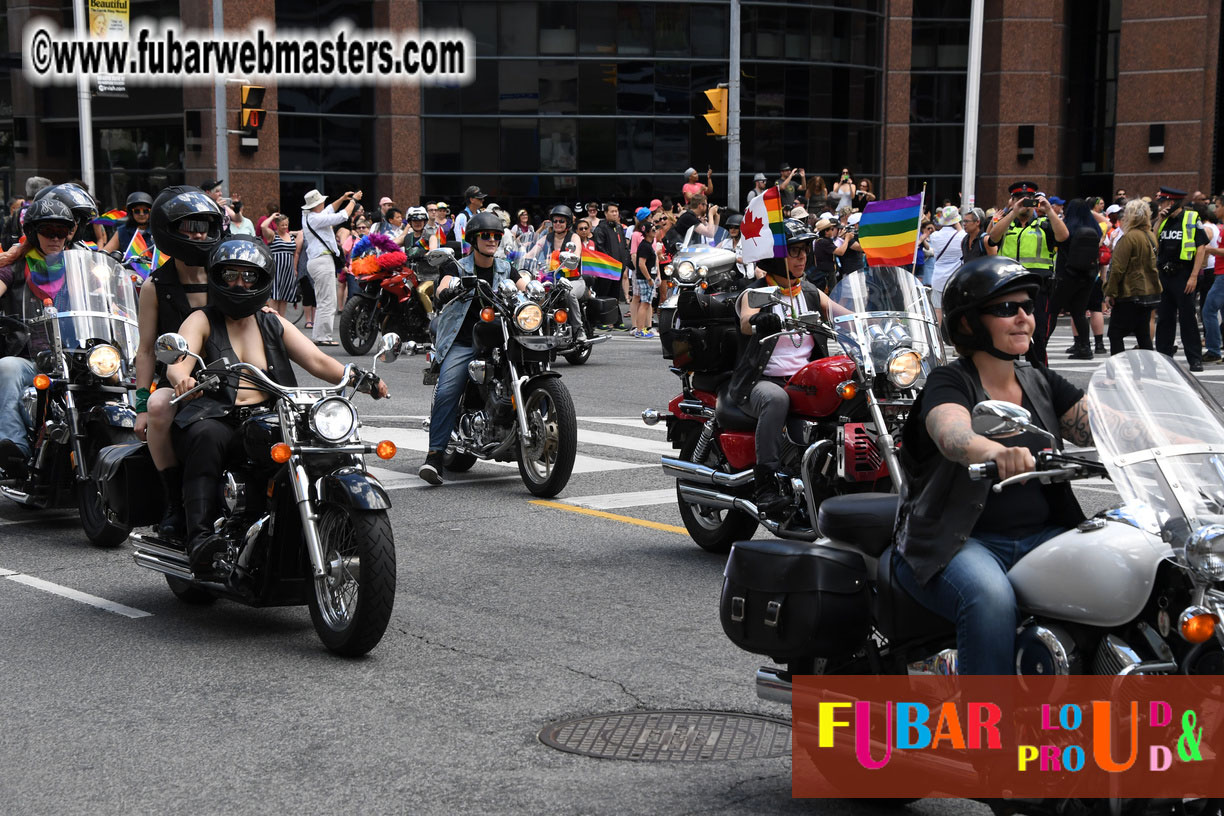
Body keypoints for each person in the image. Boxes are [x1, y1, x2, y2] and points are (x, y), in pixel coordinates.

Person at [893, 256, 1092, 675]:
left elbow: (1102, 426)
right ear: (969, 323)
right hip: (957, 542)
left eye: (1027, 306)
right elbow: (952, 434)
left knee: (1125, 567)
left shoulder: (1038, 379)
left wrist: (1176, 438)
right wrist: (993, 451)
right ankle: (988, 730)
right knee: (988, 598)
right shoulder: (950, 381)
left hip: (1044, 534)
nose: (1023, 317)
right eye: (1006, 308)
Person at [167, 236, 387, 571]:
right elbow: (179, 361)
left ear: (262, 280)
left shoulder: (272, 322)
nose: (240, 284)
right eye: (230, 276)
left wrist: (359, 378)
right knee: (206, 438)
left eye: (249, 276)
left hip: (271, 417)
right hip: (217, 416)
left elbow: (316, 360)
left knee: (327, 444)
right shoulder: (201, 319)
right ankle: (199, 537)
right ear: (217, 277)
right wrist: (182, 377)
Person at [729, 218, 842, 516]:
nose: (803, 257)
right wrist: (758, 321)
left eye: (805, 250)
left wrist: (882, 319)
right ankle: (764, 485)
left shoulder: (808, 292)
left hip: (804, 380)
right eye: (794, 251)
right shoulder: (755, 293)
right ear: (775, 258)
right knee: (777, 400)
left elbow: (845, 316)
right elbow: (745, 320)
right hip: (760, 381)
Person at [131, 185, 225, 536]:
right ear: (169, 231)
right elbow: (145, 350)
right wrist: (139, 404)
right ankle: (174, 500)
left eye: (203, 225)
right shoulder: (156, 286)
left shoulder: (225, 276)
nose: (198, 233)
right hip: (179, 382)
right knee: (157, 408)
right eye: (189, 226)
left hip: (231, 376)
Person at [418, 213, 524, 485]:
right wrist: (449, 289)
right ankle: (435, 456)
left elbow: (523, 285)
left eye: (496, 235)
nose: (491, 240)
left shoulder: (505, 268)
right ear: (473, 239)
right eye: (485, 235)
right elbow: (442, 287)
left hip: (500, 339)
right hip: (464, 341)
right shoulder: (458, 267)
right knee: (447, 390)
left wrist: (541, 292)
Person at [0, 198, 80, 477]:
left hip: (77, 357)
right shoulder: (15, 267)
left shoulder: (79, 267)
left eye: (63, 231)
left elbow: (106, 296)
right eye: (49, 232)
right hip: (31, 358)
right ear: (34, 233)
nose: (57, 238)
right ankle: (14, 448)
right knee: (7, 367)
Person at [986, 180, 1069, 366]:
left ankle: (1040, 380)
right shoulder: (1007, 224)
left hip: (1038, 289)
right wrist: (1012, 212)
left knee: (1038, 338)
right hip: (1009, 288)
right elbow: (993, 238)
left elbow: (1063, 236)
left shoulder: (1045, 224)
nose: (1024, 203)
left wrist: (1049, 210)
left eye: (1029, 199)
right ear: (1012, 200)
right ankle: (1010, 380)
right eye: (1019, 199)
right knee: (1007, 337)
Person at [1152, 186, 1209, 371]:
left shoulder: (1191, 218)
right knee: (1164, 318)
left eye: (1163, 201)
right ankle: (1163, 356)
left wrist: (1193, 276)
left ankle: (1194, 359)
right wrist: (1159, 221)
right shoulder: (1163, 220)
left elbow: (1201, 248)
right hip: (1165, 275)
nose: (1161, 205)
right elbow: (1153, 242)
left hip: (1183, 274)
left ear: (1172, 201)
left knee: (1187, 318)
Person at [301, 187, 361, 347]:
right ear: (317, 204)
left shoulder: (309, 216)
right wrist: (353, 201)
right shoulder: (315, 219)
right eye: (321, 201)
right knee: (328, 301)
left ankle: (320, 335)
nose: (324, 204)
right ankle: (323, 336)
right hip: (322, 261)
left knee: (323, 300)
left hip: (318, 261)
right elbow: (342, 215)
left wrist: (342, 198)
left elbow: (329, 209)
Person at [1046, 198, 1104, 360]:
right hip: (1087, 276)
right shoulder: (1094, 229)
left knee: (1053, 310)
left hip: (1066, 275)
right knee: (1079, 312)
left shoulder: (1067, 228)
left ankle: (1042, 343)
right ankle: (1085, 347)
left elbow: (1059, 240)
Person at [928, 206, 964, 320]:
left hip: (938, 277)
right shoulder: (961, 236)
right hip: (955, 278)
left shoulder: (935, 236)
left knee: (937, 309)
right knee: (954, 309)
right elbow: (964, 234)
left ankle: (937, 336)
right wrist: (957, 223)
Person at [262, 212, 299, 315]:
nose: (284, 227)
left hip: (288, 271)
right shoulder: (273, 235)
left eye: (286, 224)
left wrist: (295, 268)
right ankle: (273, 319)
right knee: (275, 296)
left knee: (284, 298)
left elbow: (295, 253)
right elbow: (263, 226)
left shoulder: (291, 236)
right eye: (282, 225)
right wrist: (272, 217)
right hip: (276, 270)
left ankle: (282, 321)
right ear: (277, 225)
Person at [630, 219, 660, 339]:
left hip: (647, 277)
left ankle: (641, 328)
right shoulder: (645, 246)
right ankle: (640, 329)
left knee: (646, 303)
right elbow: (641, 264)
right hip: (645, 278)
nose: (655, 231)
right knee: (645, 303)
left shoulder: (647, 245)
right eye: (653, 230)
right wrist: (648, 278)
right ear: (647, 232)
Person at [809, 217, 839, 292]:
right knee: (831, 293)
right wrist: (847, 239)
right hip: (827, 274)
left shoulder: (820, 240)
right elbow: (840, 252)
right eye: (831, 229)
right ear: (826, 231)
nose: (833, 231)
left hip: (824, 272)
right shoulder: (824, 242)